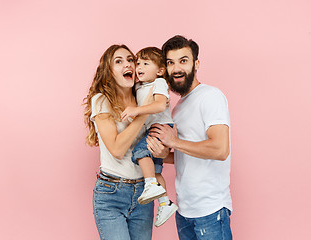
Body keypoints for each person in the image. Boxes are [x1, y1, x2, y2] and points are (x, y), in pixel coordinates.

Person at [147, 35, 233, 240]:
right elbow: (187, 153)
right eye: (170, 62)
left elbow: (220, 150)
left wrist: (173, 142)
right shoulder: (177, 108)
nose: (176, 68)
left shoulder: (210, 96)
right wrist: (164, 154)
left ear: (196, 64)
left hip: (210, 210)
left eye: (183, 61)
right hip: (184, 210)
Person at [83, 44, 154, 240]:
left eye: (130, 60)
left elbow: (151, 149)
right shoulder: (101, 101)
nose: (127, 64)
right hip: (111, 193)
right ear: (109, 71)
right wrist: (144, 113)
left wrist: (164, 149)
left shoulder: (143, 97)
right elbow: (116, 148)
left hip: (144, 192)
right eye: (119, 61)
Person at [121, 47, 178, 227]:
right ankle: (165, 203)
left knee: (139, 152)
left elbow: (160, 105)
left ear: (160, 71)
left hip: (160, 128)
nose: (139, 67)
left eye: (146, 64)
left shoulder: (159, 83)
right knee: (156, 170)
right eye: (138, 63)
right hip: (151, 129)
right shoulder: (139, 86)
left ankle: (150, 184)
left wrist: (137, 110)